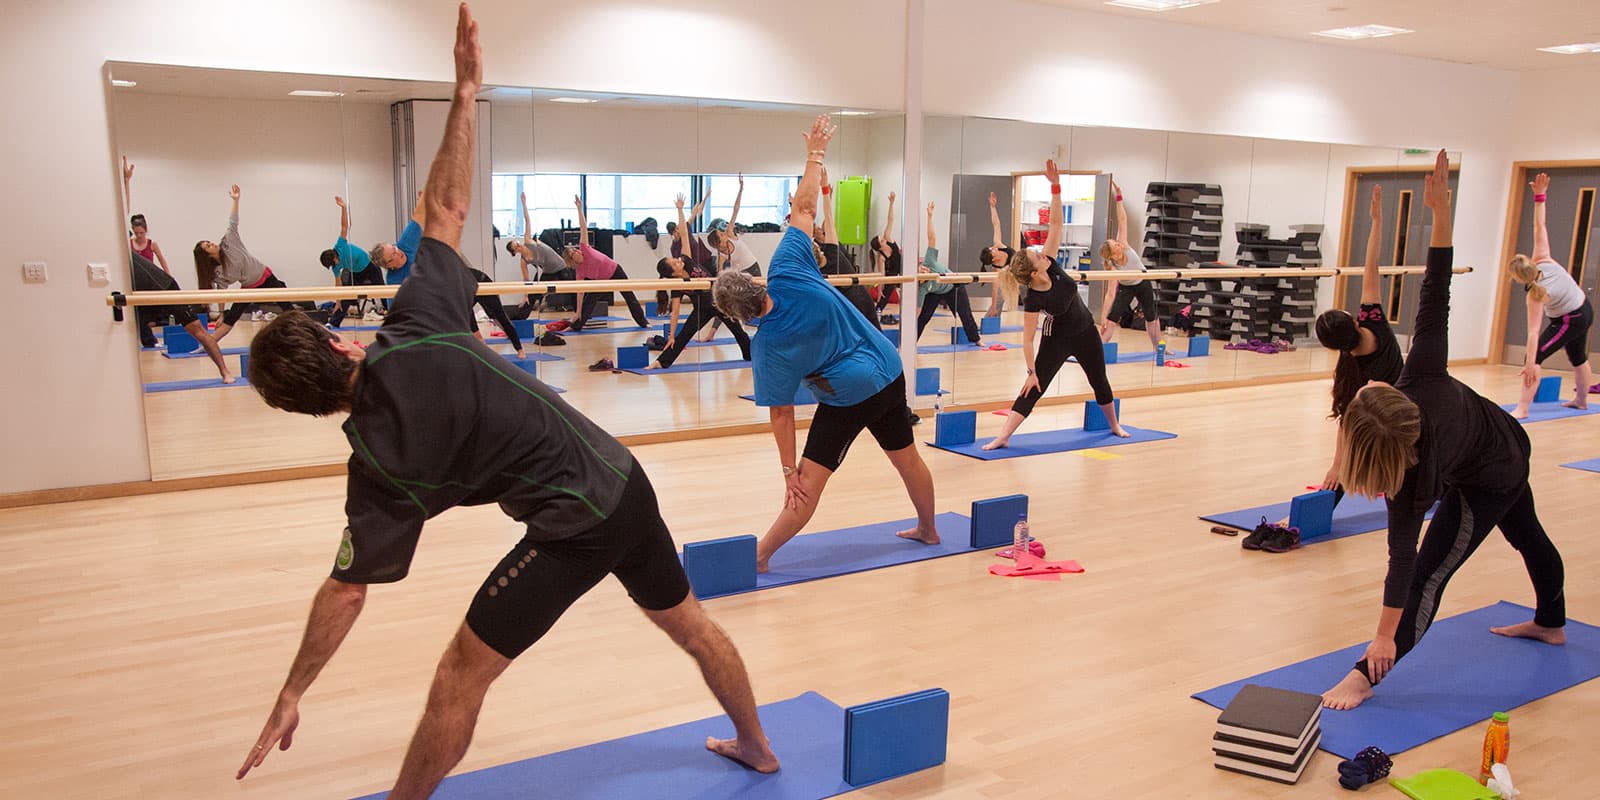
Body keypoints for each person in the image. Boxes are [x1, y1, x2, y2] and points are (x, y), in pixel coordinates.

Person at [235, 8, 778, 796]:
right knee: (690, 626)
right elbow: (446, 210)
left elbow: (345, 591)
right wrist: (464, 93)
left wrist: (292, 692)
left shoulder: (377, 465)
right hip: (624, 478)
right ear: (341, 344)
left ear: (306, 408)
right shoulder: (416, 323)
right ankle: (757, 746)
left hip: (576, 523)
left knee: (460, 674)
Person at [1320, 150, 1567, 712]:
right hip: (1500, 438)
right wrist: (1439, 213)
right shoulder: (1422, 372)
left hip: (1491, 472)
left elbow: (1406, 567)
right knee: (1527, 535)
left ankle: (1364, 678)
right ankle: (1551, 622)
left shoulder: (1409, 485)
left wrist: (1382, 640)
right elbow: (1436, 289)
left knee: (1433, 573)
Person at [712, 115, 939, 573]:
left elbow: (782, 413)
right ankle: (928, 528)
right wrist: (815, 155)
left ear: (738, 316)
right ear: (753, 282)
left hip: (851, 393)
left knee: (808, 482)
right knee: (906, 457)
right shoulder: (788, 268)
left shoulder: (767, 346)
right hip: (888, 367)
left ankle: (761, 555)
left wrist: (788, 470)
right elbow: (804, 208)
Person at [985, 159, 1128, 450]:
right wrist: (1031, 372)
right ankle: (1003, 436)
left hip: (1086, 331)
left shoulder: (1049, 263)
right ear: (1033, 273)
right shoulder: (1034, 298)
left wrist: (1056, 187)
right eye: (1036, 255)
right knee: (1034, 387)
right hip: (1056, 340)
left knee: (1099, 380)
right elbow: (1027, 339)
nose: (1042, 253)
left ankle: (1114, 425)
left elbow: (1056, 224)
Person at [1508, 172, 1593, 417]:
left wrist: (1529, 362)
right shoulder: (1543, 257)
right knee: (1577, 356)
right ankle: (1581, 401)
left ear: (1518, 278)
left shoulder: (1535, 294)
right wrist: (1540, 196)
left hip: (1570, 318)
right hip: (1584, 309)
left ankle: (1523, 408)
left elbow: (1534, 333)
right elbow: (1540, 226)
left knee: (1535, 356)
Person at [192, 184, 310, 343]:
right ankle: (209, 342)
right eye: (208, 246)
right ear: (207, 256)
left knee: (288, 308)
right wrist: (221, 314)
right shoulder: (218, 272)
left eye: (209, 242)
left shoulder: (229, 242)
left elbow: (233, 221)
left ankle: (312, 331)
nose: (211, 243)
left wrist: (236, 200)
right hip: (249, 286)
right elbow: (222, 292)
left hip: (265, 276)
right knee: (232, 316)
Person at [646, 195, 750, 369]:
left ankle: (750, 356)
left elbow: (684, 234)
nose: (678, 260)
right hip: (701, 309)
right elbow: (675, 312)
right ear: (673, 274)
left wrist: (680, 210)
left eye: (675, 259)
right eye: (674, 263)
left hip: (719, 302)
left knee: (739, 332)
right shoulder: (677, 286)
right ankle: (660, 362)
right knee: (683, 336)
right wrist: (671, 336)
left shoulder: (687, 260)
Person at [131, 249, 235, 383]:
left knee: (197, 330)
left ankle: (225, 371)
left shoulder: (123, 250)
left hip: (165, 288)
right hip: (140, 296)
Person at [565, 194, 650, 329]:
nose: (576, 251)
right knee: (589, 302)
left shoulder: (584, 248)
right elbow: (580, 293)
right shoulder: (580, 271)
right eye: (573, 253)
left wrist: (579, 209)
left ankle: (643, 322)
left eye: (574, 249)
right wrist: (578, 312)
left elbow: (583, 227)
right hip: (600, 281)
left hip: (615, 271)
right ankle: (576, 325)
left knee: (629, 296)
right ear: (572, 260)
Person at [1097, 179, 1160, 349]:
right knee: (1112, 319)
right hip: (1127, 287)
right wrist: (1103, 317)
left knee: (1151, 317)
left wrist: (1119, 198)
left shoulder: (1124, 244)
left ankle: (1158, 347)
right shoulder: (1112, 266)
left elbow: (1122, 219)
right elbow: (1110, 294)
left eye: (1115, 242)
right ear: (1113, 253)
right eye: (1115, 245)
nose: (1118, 243)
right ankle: (1101, 347)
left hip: (1143, 282)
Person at [816, 167, 879, 327]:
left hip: (851, 305)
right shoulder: (832, 252)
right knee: (874, 336)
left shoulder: (817, 271)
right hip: (858, 300)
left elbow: (827, 222)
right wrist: (825, 191)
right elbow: (829, 219)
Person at [916, 202, 982, 346]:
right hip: (935, 293)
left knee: (965, 314)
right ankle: (911, 342)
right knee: (923, 318)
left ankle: (976, 340)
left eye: (922, 269)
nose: (924, 270)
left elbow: (932, 238)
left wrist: (929, 217)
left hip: (953, 287)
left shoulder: (929, 261)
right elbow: (918, 312)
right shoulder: (922, 290)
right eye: (921, 272)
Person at [321, 196, 384, 328]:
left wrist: (344, 208)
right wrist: (338, 302)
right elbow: (338, 285)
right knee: (346, 298)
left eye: (334, 262)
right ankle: (332, 323)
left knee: (382, 291)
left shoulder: (340, 245)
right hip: (356, 273)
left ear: (334, 256)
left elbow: (345, 226)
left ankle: (392, 316)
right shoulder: (336, 267)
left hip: (370, 266)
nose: (335, 265)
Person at [706, 175, 762, 277]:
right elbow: (719, 272)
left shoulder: (729, 234)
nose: (723, 233)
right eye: (721, 235)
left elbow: (735, 210)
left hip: (752, 266)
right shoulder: (722, 254)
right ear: (719, 243)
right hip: (740, 273)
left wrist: (740, 190)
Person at [123, 158, 170, 274]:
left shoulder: (151, 244)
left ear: (146, 230)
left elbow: (162, 260)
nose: (139, 235)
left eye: (141, 233)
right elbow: (124, 210)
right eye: (136, 233)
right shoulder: (130, 244)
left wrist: (169, 277)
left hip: (149, 277)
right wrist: (126, 181)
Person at [978, 191, 1015, 318]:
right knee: (998, 301)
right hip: (1012, 279)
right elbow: (995, 289)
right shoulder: (997, 268)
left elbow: (996, 224)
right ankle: (989, 319)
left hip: (1023, 273)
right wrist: (993, 307)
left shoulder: (998, 244)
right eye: (991, 250)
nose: (993, 247)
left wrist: (993, 207)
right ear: (993, 258)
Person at [870, 192, 903, 318]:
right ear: (880, 247)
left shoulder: (888, 238)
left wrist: (891, 203)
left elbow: (890, 220)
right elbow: (882, 276)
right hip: (891, 274)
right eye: (881, 240)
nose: (884, 239)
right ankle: (877, 312)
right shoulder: (881, 257)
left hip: (902, 267)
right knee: (886, 292)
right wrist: (880, 290)